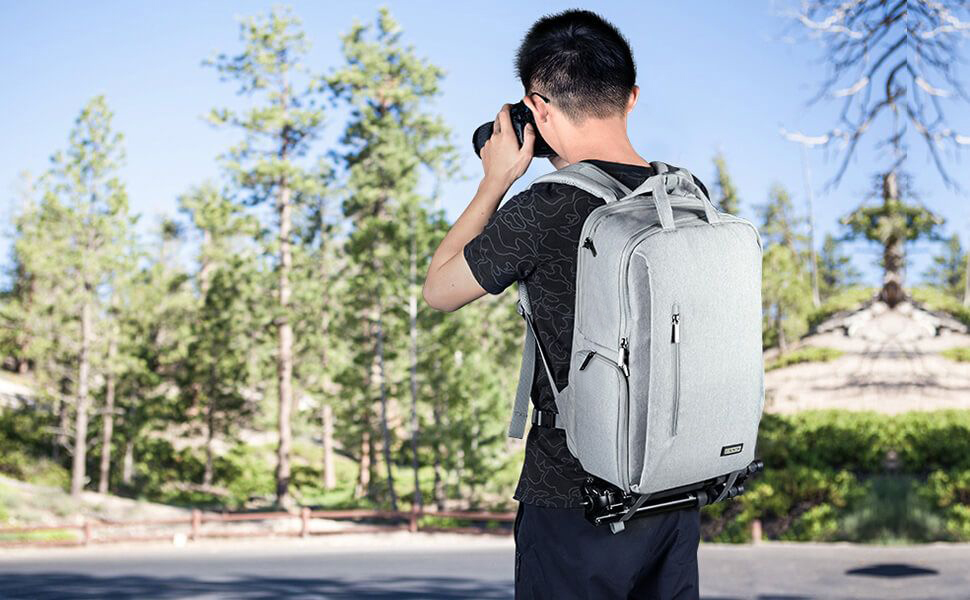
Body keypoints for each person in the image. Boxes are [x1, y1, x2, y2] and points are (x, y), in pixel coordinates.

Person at [423, 9, 705, 600]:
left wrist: (495, 181)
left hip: (572, 497)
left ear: (537, 107)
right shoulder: (686, 197)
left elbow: (440, 290)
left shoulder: (544, 207)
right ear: (630, 98)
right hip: (674, 488)